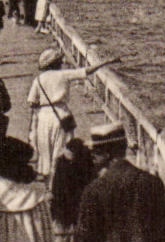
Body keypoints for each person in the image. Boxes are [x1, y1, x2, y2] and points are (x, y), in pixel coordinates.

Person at [26, 48, 110, 178]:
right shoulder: (64, 75)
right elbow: (86, 71)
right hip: (62, 113)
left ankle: (47, 177)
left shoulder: (38, 79)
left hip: (44, 114)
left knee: (45, 148)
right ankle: (58, 173)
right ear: (57, 63)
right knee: (62, 146)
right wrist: (104, 62)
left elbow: (31, 102)